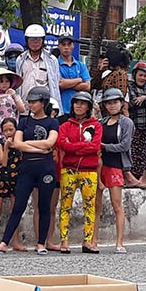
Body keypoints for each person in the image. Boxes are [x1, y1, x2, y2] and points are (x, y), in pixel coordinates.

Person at [0, 86, 59, 254]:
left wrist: (31, 146)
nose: (31, 105)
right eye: (29, 102)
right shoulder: (24, 121)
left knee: (44, 206)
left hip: (46, 167)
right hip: (27, 167)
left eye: (34, 102)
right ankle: (4, 242)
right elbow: (17, 144)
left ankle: (41, 243)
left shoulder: (52, 122)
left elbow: (51, 143)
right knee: (18, 206)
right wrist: (39, 148)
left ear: (43, 103)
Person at [56, 92, 101, 253]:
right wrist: (81, 147)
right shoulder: (65, 126)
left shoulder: (96, 126)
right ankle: (64, 241)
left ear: (88, 106)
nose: (78, 106)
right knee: (65, 206)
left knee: (89, 206)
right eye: (76, 103)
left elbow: (95, 147)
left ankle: (87, 241)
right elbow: (62, 145)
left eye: (82, 103)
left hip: (89, 171)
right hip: (68, 169)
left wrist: (73, 146)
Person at [98, 89, 132, 253]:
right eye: (109, 103)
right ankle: (92, 240)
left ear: (121, 103)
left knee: (117, 205)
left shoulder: (126, 122)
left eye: (115, 102)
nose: (112, 105)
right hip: (100, 166)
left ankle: (119, 242)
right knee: (96, 206)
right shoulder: (101, 122)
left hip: (116, 165)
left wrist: (104, 146)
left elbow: (124, 146)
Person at [0, 117, 25, 251]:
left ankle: (15, 242)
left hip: (16, 179)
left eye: (11, 129)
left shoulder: (20, 144)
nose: (8, 133)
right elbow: (3, 163)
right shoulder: (0, 144)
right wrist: (6, 147)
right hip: (2, 179)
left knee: (15, 211)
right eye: (5, 130)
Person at [15, 24, 61, 113]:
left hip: (44, 109)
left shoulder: (52, 60)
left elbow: (54, 85)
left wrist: (54, 107)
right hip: (25, 107)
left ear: (42, 41)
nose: (35, 43)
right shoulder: (20, 59)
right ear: (27, 41)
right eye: (32, 40)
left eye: (38, 40)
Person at [0, 68, 25, 145]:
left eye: (7, 81)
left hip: (12, 127)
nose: (4, 84)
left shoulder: (14, 95)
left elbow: (22, 109)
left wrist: (14, 96)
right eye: (1, 82)